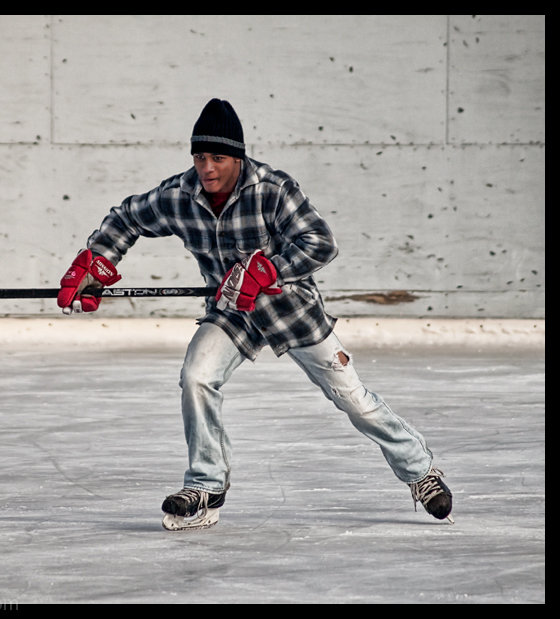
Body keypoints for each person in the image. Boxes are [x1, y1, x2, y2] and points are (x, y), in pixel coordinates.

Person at [56, 98, 453, 531]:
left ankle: (420, 471)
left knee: (354, 401)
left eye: (218, 158)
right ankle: (206, 484)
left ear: (238, 157)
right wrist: (95, 260)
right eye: (200, 157)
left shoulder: (273, 188)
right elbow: (127, 217)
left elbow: (321, 242)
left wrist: (270, 268)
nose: (207, 168)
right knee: (196, 377)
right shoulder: (179, 195)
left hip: (290, 309)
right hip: (231, 311)